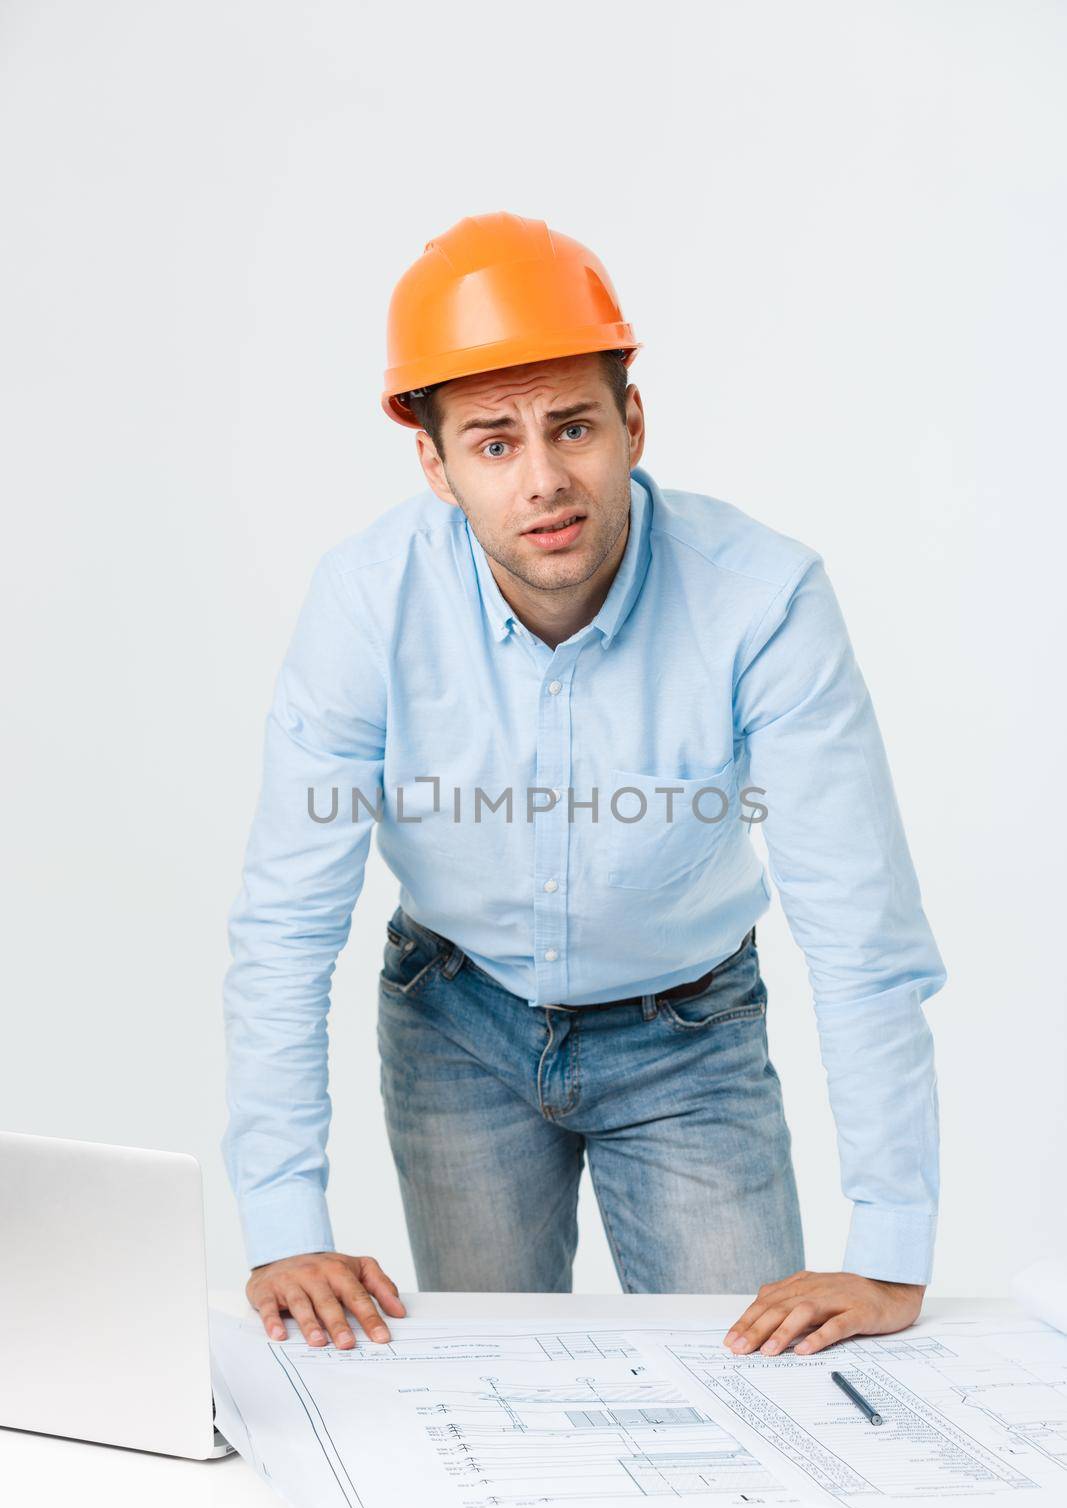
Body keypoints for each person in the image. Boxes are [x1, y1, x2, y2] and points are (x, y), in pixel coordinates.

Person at [221, 211, 946, 1361]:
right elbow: (284, 921)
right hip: (454, 1022)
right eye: (494, 443)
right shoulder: (365, 601)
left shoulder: (762, 599)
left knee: (758, 1390)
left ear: (632, 422)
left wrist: (888, 1248)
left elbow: (857, 923)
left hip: (688, 1033)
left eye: (573, 426)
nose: (545, 481)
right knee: (498, 1393)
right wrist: (281, 1222)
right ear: (435, 463)